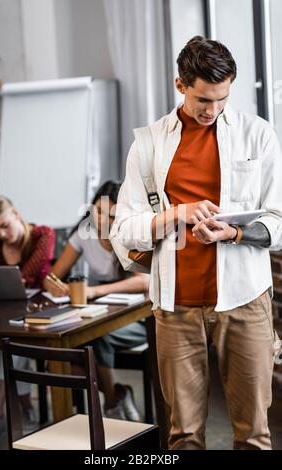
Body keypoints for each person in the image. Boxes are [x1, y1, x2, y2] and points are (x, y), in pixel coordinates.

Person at [111, 36, 282, 450]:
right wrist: (176, 214)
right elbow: (123, 229)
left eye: (222, 99)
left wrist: (236, 233)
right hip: (175, 307)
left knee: (254, 434)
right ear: (179, 84)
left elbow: (278, 221)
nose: (213, 110)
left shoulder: (257, 135)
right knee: (184, 436)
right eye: (204, 100)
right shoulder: (149, 144)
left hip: (245, 300)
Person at [43, 181, 149, 421]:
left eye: (111, 215)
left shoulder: (129, 233)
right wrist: (52, 284)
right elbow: (53, 275)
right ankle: (116, 396)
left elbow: (144, 281)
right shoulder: (85, 232)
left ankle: (111, 403)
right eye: (98, 211)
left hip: (137, 317)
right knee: (67, 351)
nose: (102, 220)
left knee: (96, 336)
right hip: (100, 312)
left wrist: (94, 292)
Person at [0, 196, 55, 449]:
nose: (1, 234)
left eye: (4, 225)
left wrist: (10, 280)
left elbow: (28, 274)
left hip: (41, 315)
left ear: (15, 213)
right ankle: (25, 410)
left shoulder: (41, 236)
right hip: (6, 315)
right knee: (2, 340)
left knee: (9, 341)